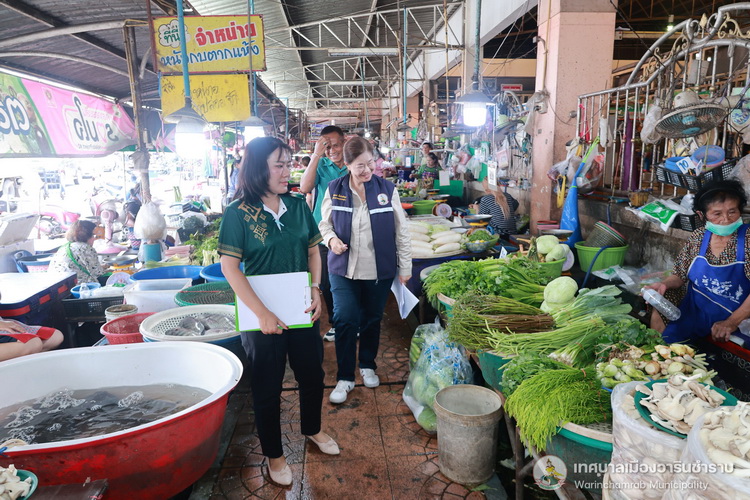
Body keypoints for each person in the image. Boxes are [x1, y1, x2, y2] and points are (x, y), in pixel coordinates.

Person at [218, 136, 339, 487]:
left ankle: (312, 429)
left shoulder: (297, 205)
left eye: (288, 164)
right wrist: (262, 313)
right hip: (261, 318)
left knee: (312, 375)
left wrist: (315, 289)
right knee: (267, 386)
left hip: (300, 308)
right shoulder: (237, 213)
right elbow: (229, 268)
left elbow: (313, 251)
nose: (288, 172)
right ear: (259, 169)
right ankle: (274, 454)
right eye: (279, 165)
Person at [319, 136, 412, 404]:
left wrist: (405, 267)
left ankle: (368, 365)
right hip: (343, 268)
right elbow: (324, 224)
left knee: (372, 318)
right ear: (347, 165)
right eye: (360, 165)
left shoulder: (387, 189)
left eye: (370, 163)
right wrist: (332, 241)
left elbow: (401, 231)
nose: (367, 170)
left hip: (378, 268)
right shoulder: (335, 188)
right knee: (345, 318)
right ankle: (345, 377)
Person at [647, 179, 750, 344]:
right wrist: (663, 284)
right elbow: (679, 275)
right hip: (696, 307)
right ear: (702, 215)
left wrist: (731, 322)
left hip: (736, 312)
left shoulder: (748, 239)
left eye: (732, 212)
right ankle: (655, 346)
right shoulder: (699, 237)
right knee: (663, 298)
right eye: (717, 214)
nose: (726, 219)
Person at [300, 126, 348, 342]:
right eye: (327, 147)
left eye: (335, 145)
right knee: (327, 283)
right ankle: (337, 323)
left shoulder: (353, 163)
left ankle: (353, 322)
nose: (332, 151)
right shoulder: (320, 164)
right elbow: (304, 187)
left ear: (344, 142)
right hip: (322, 233)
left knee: (351, 279)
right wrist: (316, 155)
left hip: (350, 231)